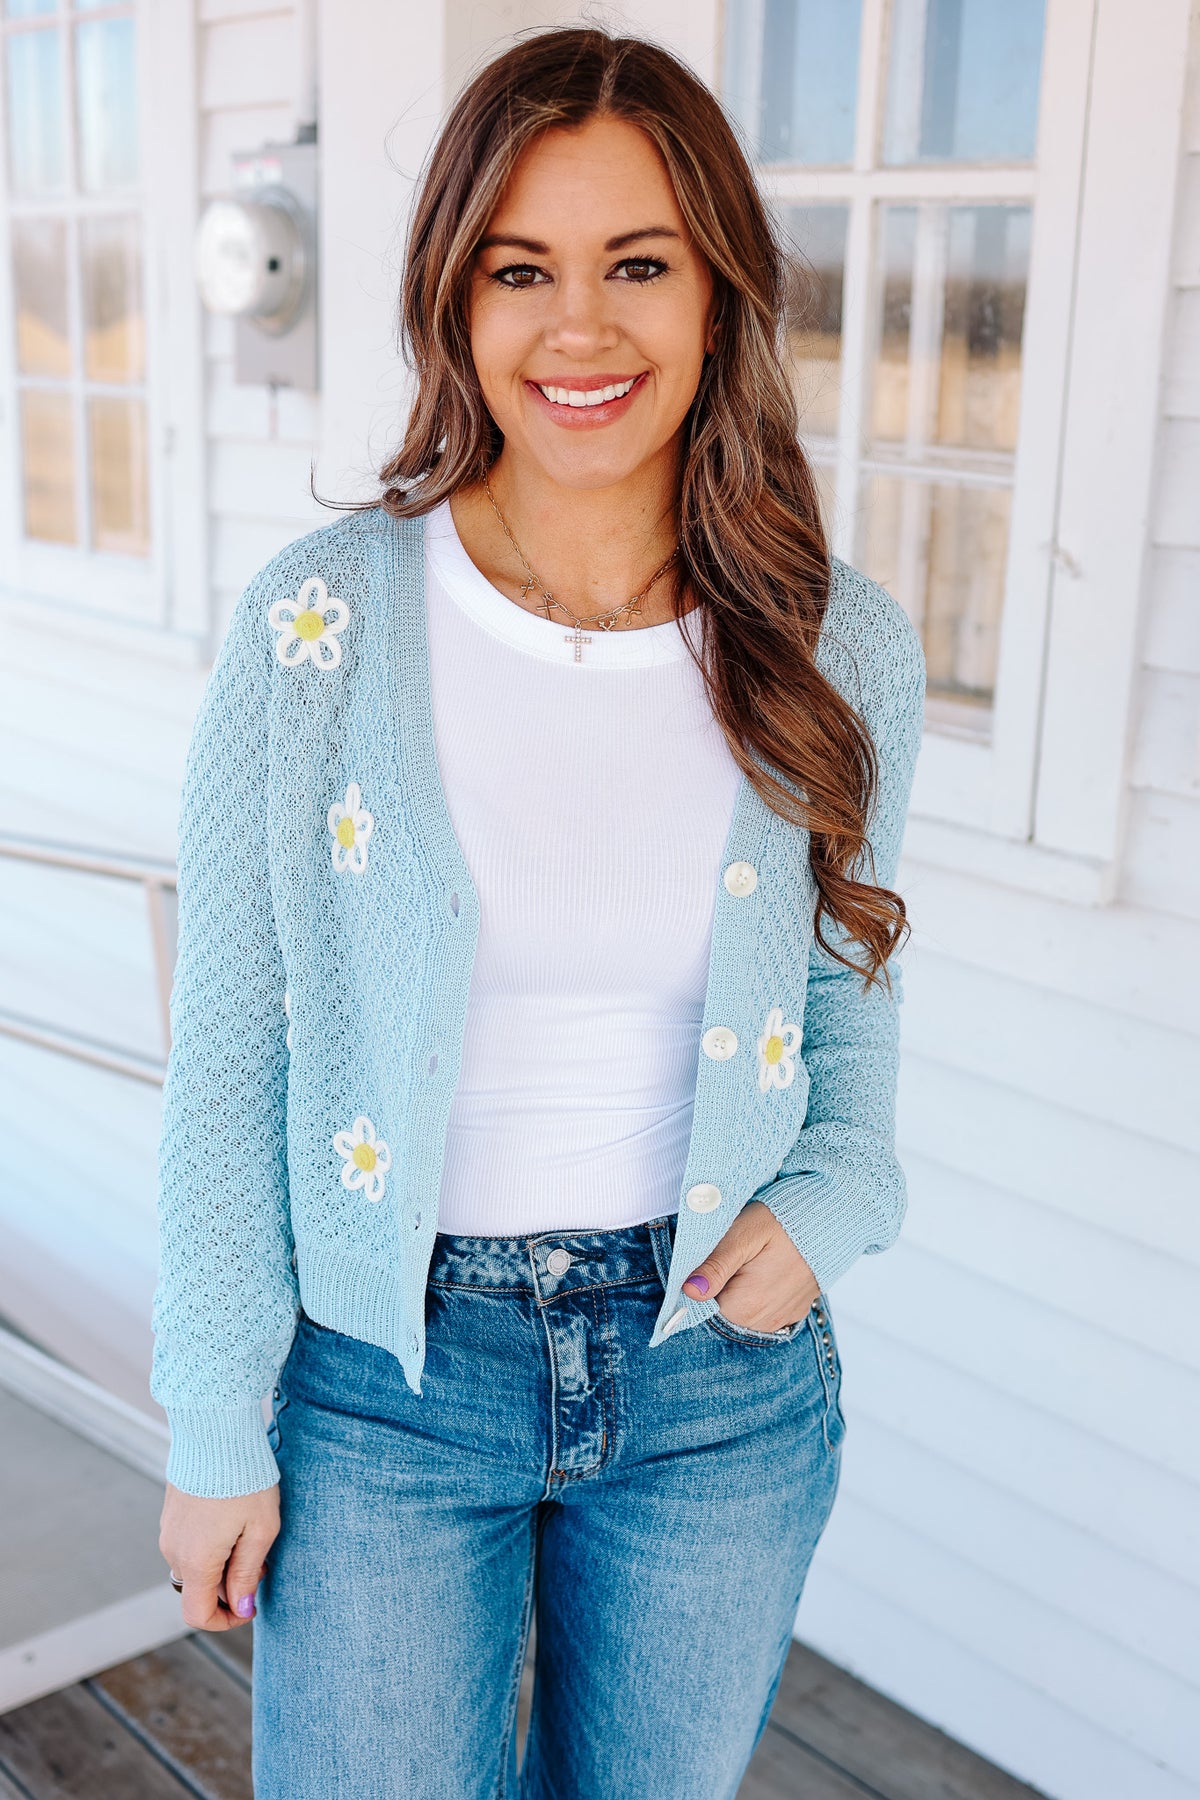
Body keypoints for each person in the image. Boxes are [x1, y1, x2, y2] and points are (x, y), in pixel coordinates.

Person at [153, 26, 925, 1800]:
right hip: (384, 1385)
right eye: (521, 271)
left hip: (714, 1375)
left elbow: (856, 1015)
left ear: (719, 296)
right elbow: (229, 1056)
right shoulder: (321, 628)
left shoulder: (837, 644)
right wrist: (211, 1415)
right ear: (455, 300)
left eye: (637, 265)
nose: (581, 329)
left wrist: (835, 1201)